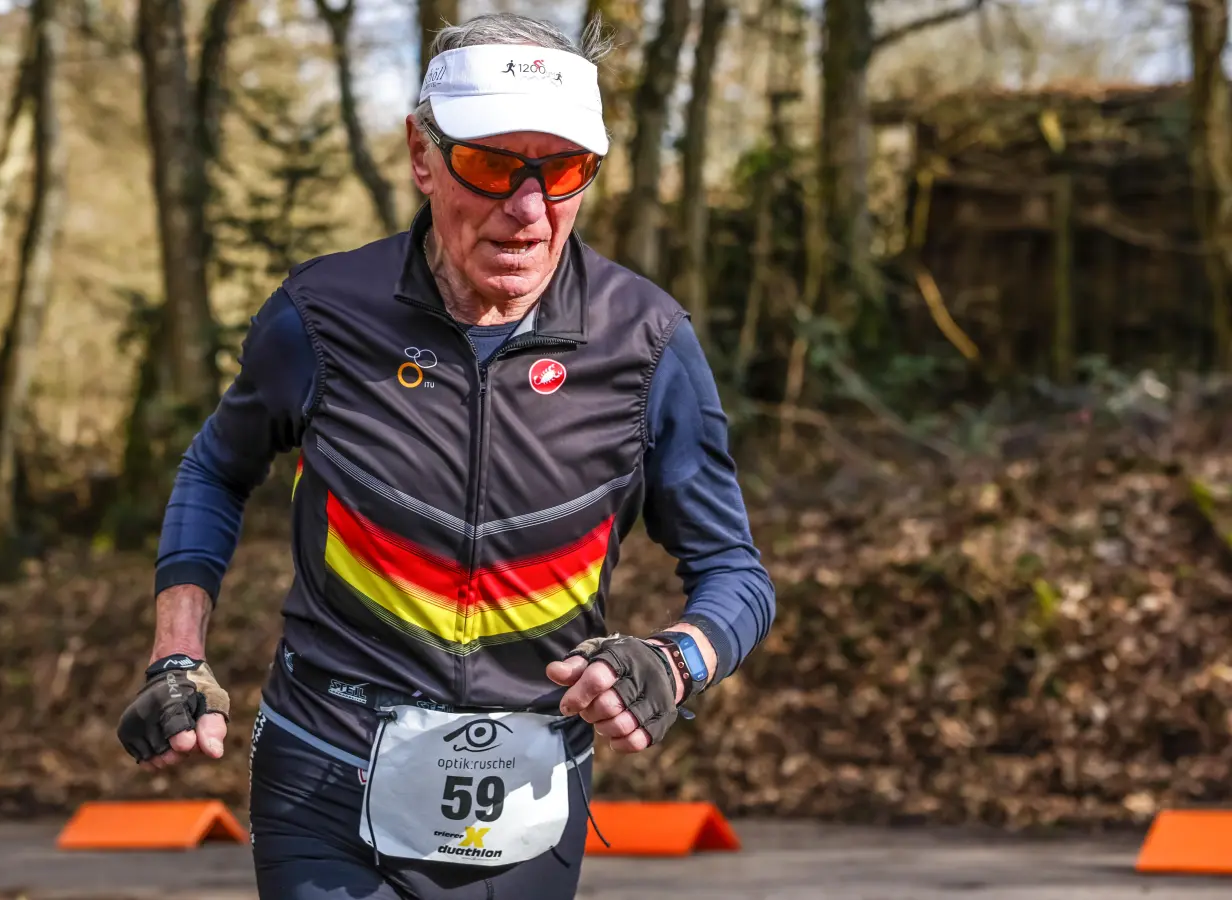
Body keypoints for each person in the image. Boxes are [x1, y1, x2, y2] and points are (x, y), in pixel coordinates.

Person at [116, 11, 776, 899]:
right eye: (494, 167)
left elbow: (735, 572)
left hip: (527, 787)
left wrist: (674, 659)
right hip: (324, 764)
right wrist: (177, 653)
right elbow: (216, 469)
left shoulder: (646, 341)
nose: (528, 210)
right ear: (421, 157)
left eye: (562, 171)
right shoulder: (322, 316)